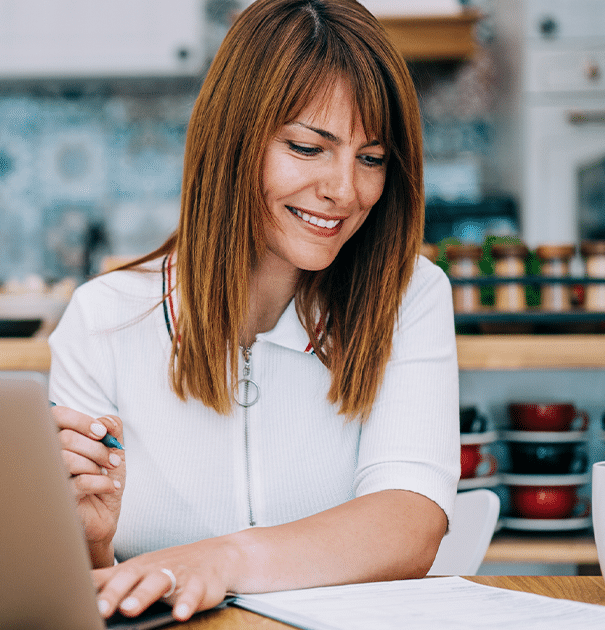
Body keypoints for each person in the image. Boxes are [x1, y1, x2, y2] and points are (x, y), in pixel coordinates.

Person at [48, 0, 459, 622]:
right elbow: (89, 585)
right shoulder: (103, 317)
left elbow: (409, 523)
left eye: (371, 158)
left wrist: (214, 560)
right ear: (234, 140)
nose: (345, 190)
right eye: (307, 147)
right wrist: (90, 541)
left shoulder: (410, 295)